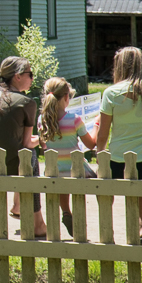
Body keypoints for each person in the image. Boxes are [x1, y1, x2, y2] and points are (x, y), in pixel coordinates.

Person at [0, 56, 46, 238]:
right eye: (30, 74)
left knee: (25, 153)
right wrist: (44, 137)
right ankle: (37, 223)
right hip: (8, 165)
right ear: (18, 76)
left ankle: (18, 205)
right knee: (30, 155)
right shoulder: (26, 102)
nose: (32, 78)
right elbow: (27, 143)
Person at [95, 46, 142, 242]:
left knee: (106, 193)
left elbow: (103, 132)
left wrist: (100, 155)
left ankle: (108, 228)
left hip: (117, 155)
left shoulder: (111, 93)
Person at [38, 77, 98, 236]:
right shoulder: (74, 119)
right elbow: (91, 144)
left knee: (62, 183)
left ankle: (66, 211)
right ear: (66, 97)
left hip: (55, 170)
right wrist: (97, 126)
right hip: (76, 169)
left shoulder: (42, 120)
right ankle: (78, 217)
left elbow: (44, 145)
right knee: (96, 180)